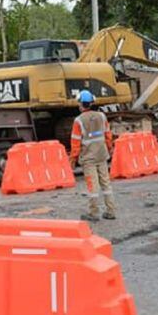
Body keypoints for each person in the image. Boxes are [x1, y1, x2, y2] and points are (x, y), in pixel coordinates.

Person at [69, 89, 116, 221]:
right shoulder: (102, 116)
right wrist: (110, 148)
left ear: (81, 104)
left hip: (89, 158)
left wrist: (73, 159)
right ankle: (111, 210)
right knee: (106, 183)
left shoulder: (78, 121)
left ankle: (94, 213)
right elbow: (108, 135)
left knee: (92, 185)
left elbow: (76, 142)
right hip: (102, 155)